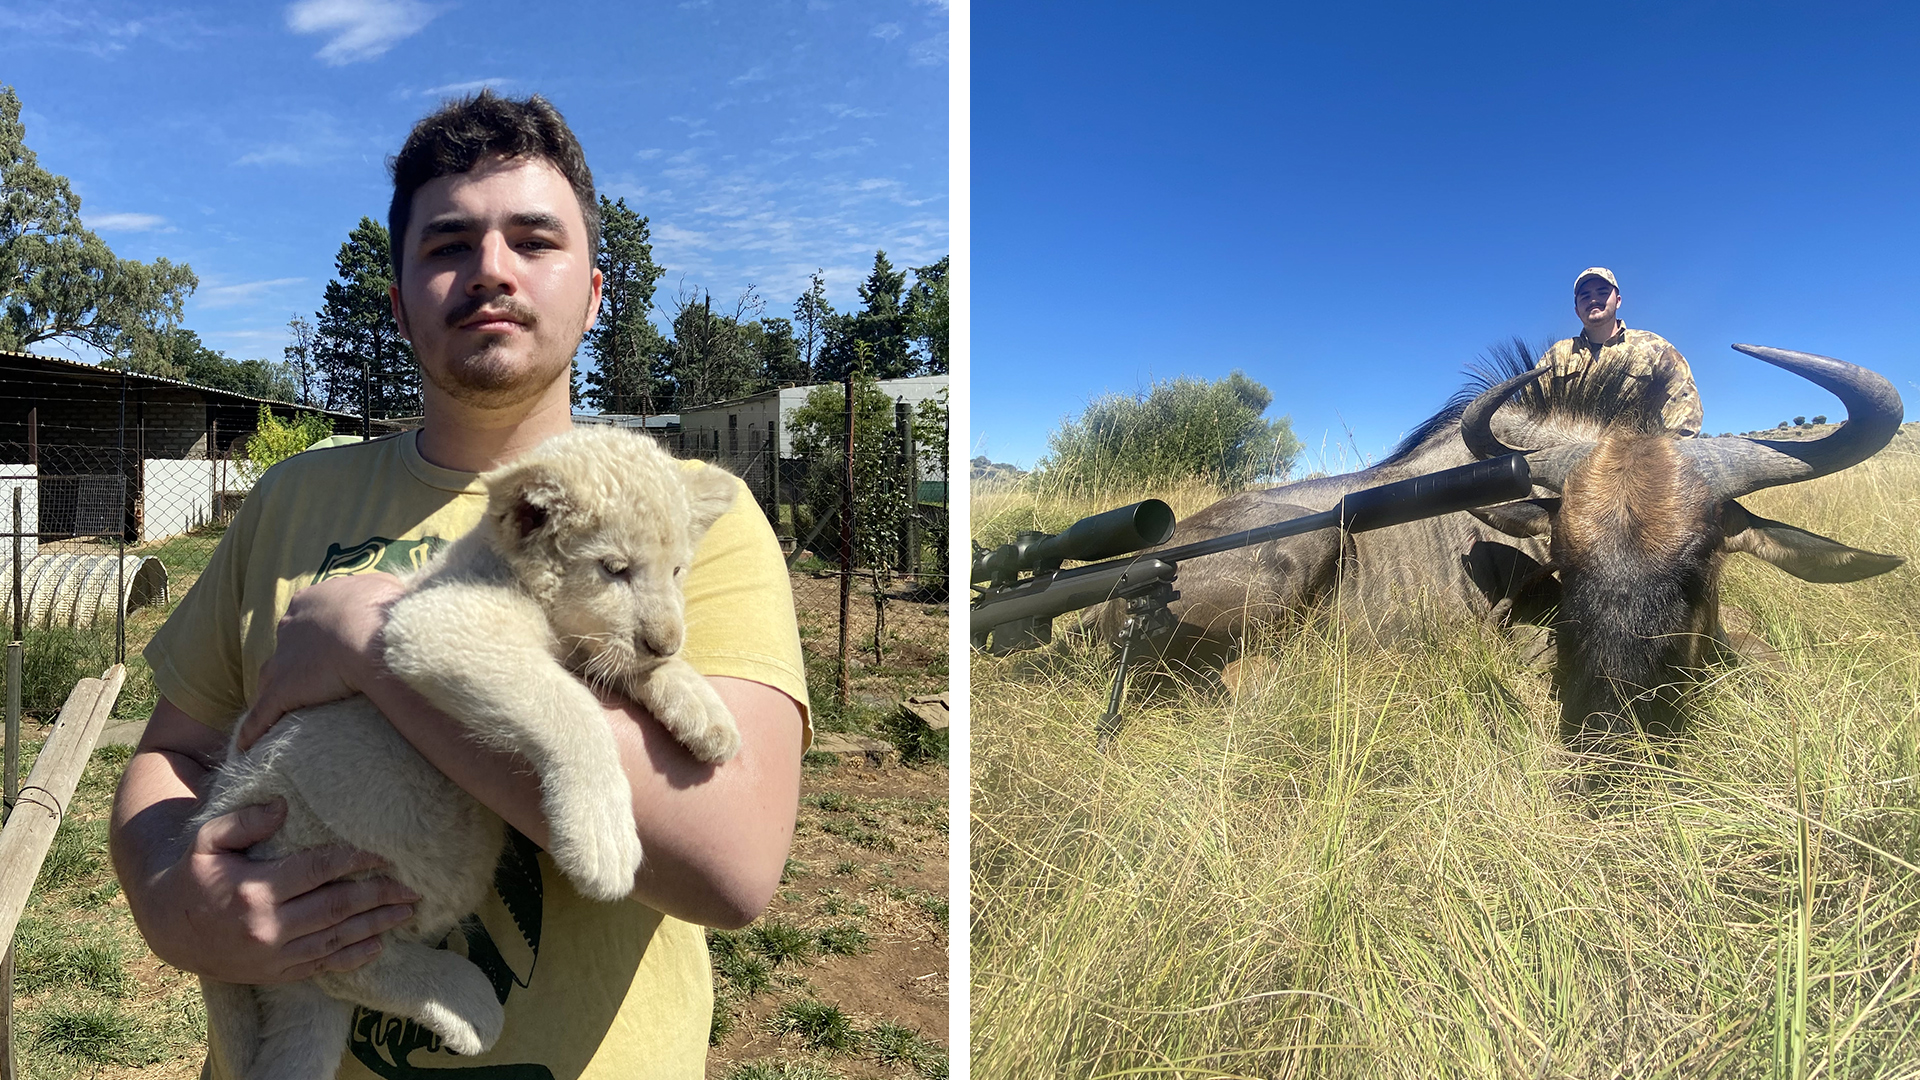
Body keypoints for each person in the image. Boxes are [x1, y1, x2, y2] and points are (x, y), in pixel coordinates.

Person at [108, 91, 809, 1079]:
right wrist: (182, 908)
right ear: (395, 301)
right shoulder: (292, 496)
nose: (491, 270)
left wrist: (365, 641)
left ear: (596, 291)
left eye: (533, 239)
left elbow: (732, 869)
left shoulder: (700, 513)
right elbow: (171, 756)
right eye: (448, 245)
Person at [1534, 267, 1704, 436]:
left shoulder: (1654, 347)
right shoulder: (1556, 356)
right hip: (1567, 458)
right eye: (1585, 296)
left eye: (1602, 293)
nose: (1593, 300)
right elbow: (1530, 411)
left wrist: (1665, 456)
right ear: (1577, 311)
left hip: (1636, 458)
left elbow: (1685, 407)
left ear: (1618, 301)